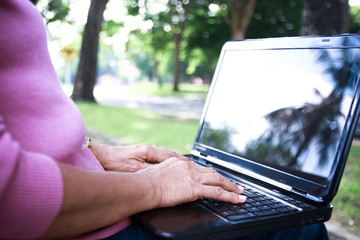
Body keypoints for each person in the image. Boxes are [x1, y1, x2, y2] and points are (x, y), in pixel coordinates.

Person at [0, 0, 329, 239]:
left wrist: (92, 150)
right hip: (85, 224)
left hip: (86, 189)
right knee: (302, 227)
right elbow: (11, 200)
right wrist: (155, 185)